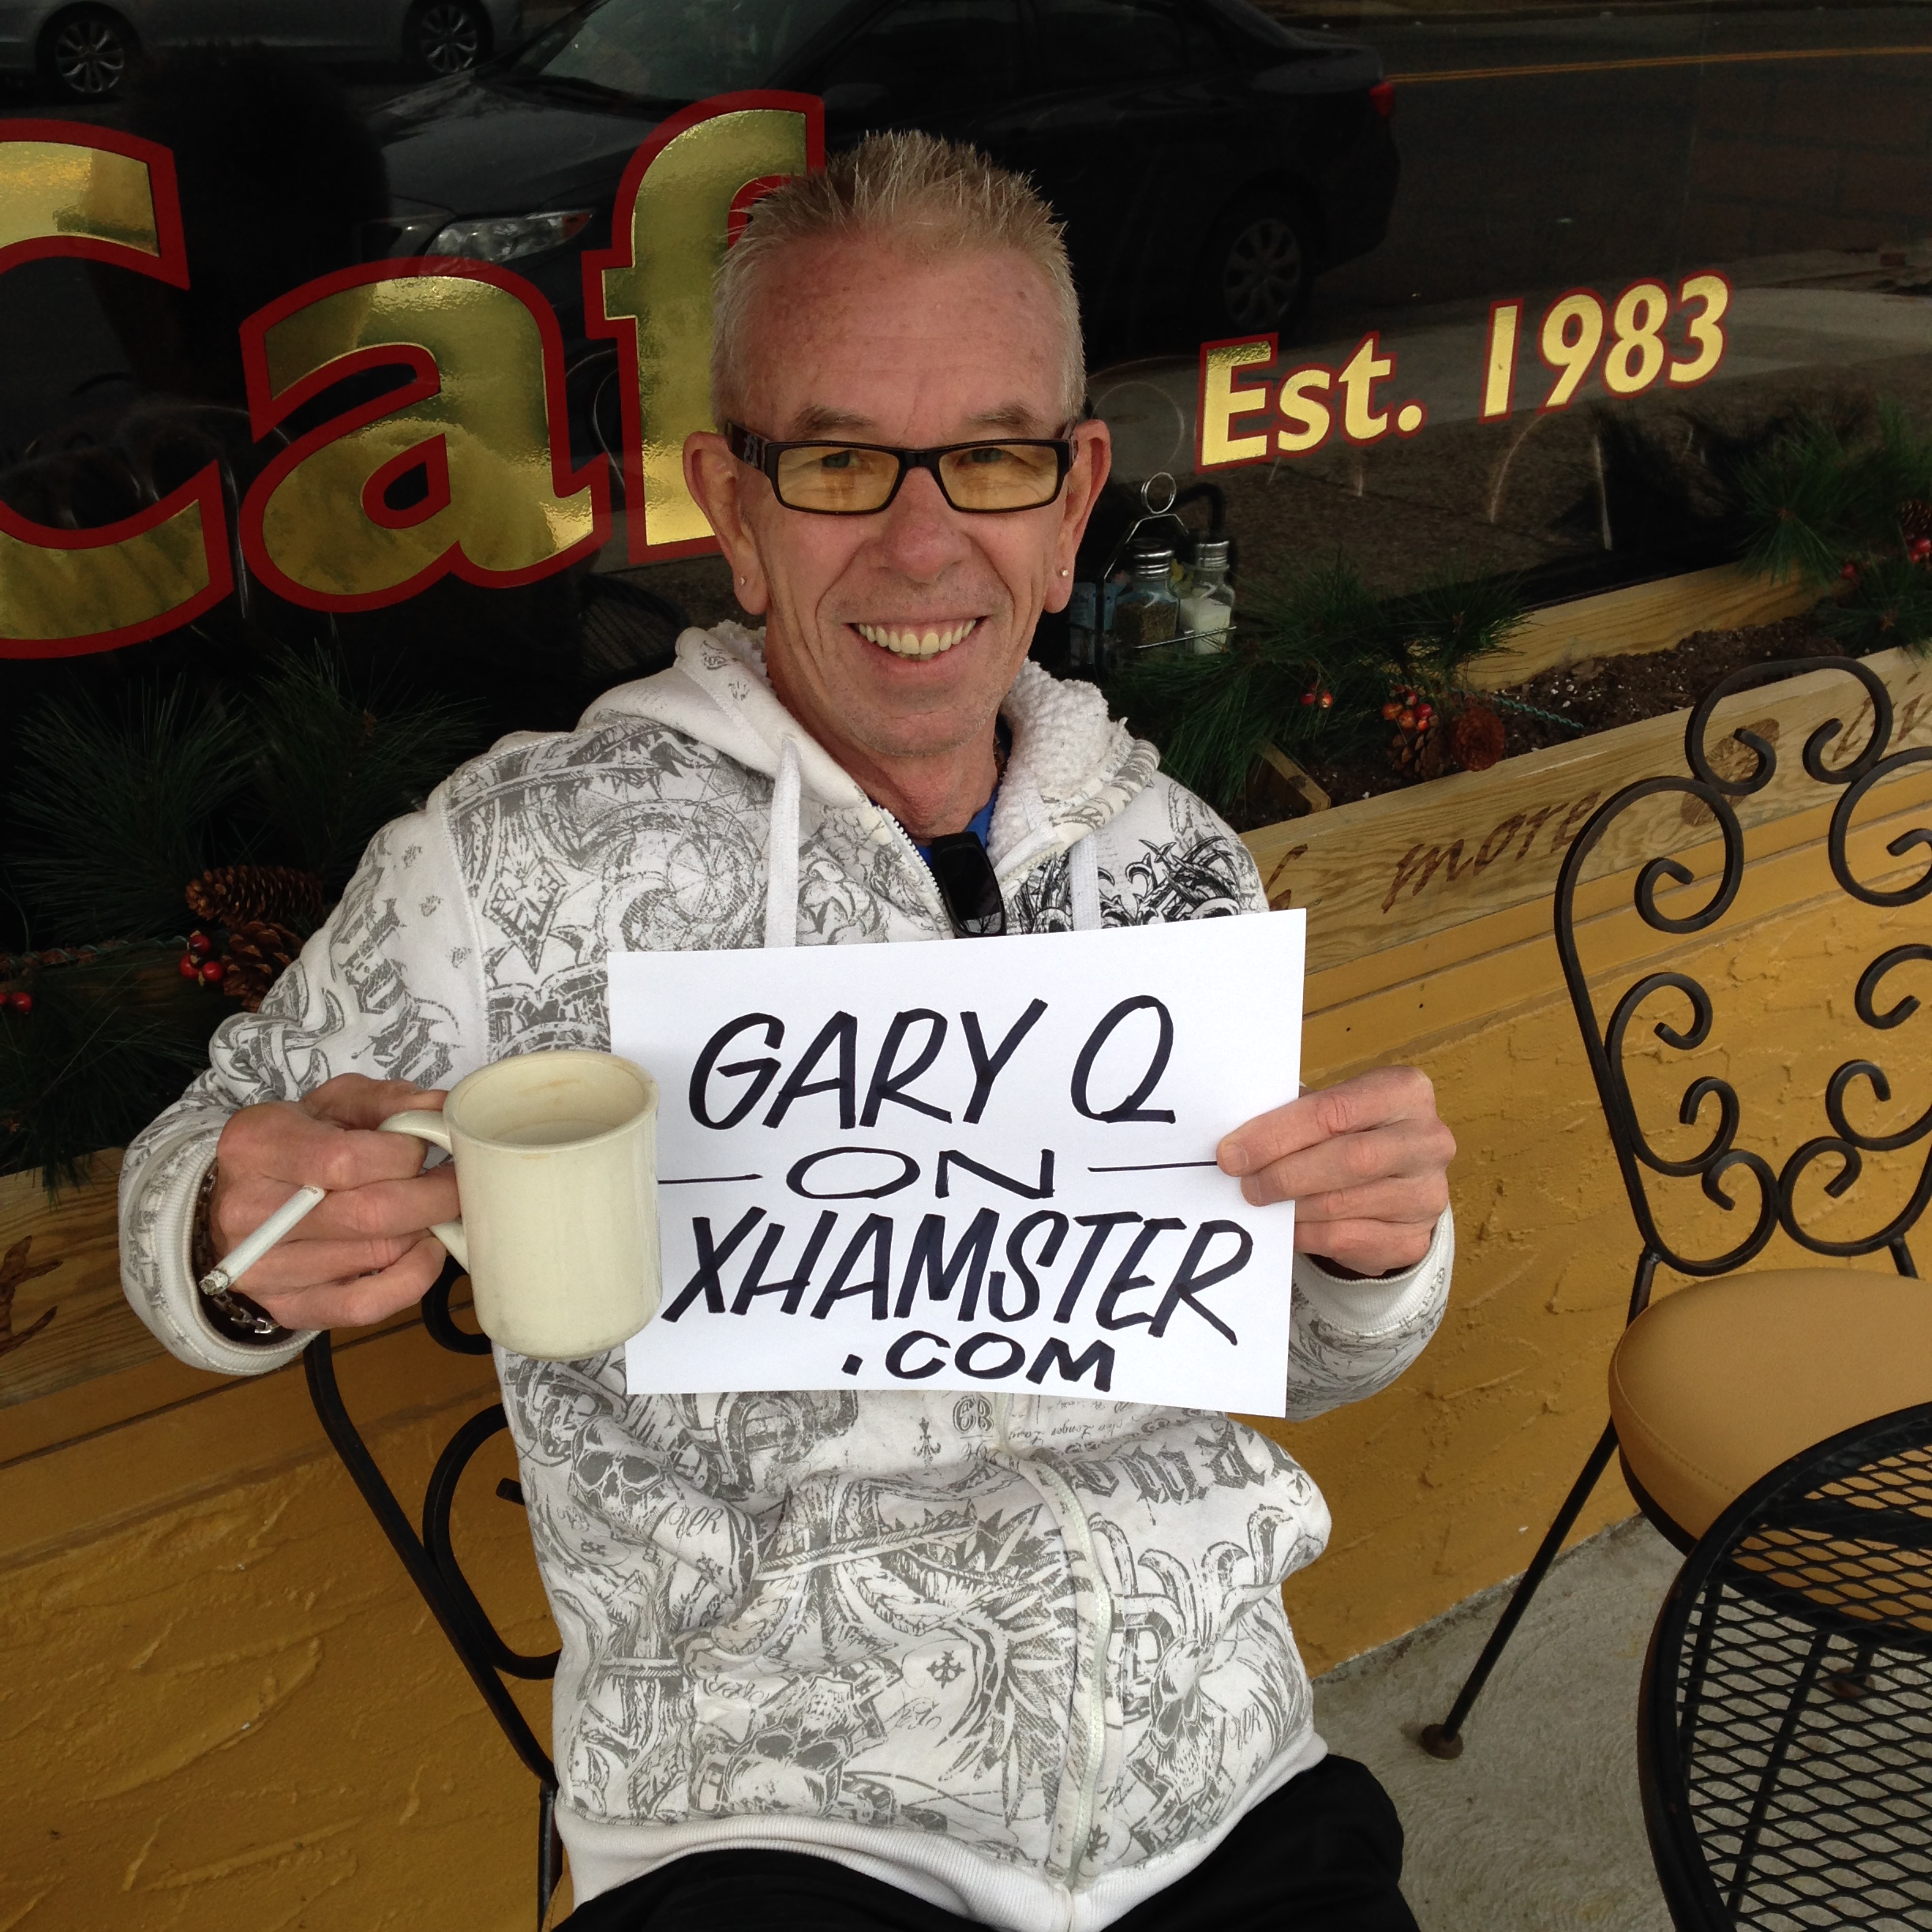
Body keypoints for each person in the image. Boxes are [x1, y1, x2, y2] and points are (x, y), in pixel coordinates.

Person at [120, 132, 1455, 1930]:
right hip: (768, 1831)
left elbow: (1276, 1352)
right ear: (733, 511)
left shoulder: (1174, 863)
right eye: (837, 461)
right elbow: (192, 1183)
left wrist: (1374, 1266)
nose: (923, 539)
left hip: (1223, 1795)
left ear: (1072, 502)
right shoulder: (512, 862)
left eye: (992, 456)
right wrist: (231, 1237)